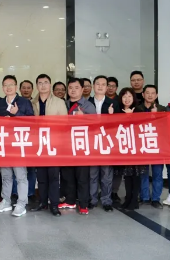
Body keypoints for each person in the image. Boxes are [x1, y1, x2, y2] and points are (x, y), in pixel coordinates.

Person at [0, 75, 34, 217]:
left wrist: (17, 114)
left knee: (20, 176)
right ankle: (6, 201)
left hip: (18, 143)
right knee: (6, 175)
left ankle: (21, 203)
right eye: (5, 85)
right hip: (4, 144)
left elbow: (32, 122)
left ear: (16, 87)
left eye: (11, 84)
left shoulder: (24, 102)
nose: (8, 87)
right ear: (2, 87)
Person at [31, 74, 67, 216]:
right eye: (40, 83)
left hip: (53, 143)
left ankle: (54, 204)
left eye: (46, 82)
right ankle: (43, 202)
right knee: (41, 176)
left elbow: (64, 123)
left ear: (50, 85)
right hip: (38, 144)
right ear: (37, 86)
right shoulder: (32, 102)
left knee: (53, 176)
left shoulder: (59, 102)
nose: (43, 85)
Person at [59, 78, 96, 215]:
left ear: (82, 89)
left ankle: (83, 204)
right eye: (70, 88)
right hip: (66, 146)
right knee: (67, 176)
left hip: (81, 146)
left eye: (76, 87)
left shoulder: (88, 106)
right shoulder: (64, 104)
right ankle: (70, 200)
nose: (73, 90)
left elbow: (95, 126)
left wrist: (84, 118)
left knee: (82, 177)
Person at [111, 87, 147, 211]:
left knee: (135, 176)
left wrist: (131, 117)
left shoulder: (139, 110)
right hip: (124, 149)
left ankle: (134, 201)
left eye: (129, 96)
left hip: (136, 149)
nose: (127, 99)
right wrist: (111, 115)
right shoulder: (118, 111)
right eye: (124, 96)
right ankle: (128, 199)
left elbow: (142, 128)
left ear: (134, 98)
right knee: (127, 176)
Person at [88, 75, 118, 212]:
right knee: (92, 174)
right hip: (91, 143)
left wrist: (112, 117)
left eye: (103, 84)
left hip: (107, 143)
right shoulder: (86, 103)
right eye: (98, 84)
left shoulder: (113, 104)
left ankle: (106, 201)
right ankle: (92, 200)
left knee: (106, 175)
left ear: (107, 87)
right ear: (93, 86)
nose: (100, 86)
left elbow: (120, 125)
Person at [136, 84, 167, 209]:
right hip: (142, 145)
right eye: (147, 93)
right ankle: (144, 197)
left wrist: (155, 115)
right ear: (143, 94)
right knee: (143, 173)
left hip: (157, 146)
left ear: (156, 95)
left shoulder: (163, 109)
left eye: (153, 93)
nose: (150, 95)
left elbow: (165, 127)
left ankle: (155, 199)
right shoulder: (137, 109)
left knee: (157, 173)